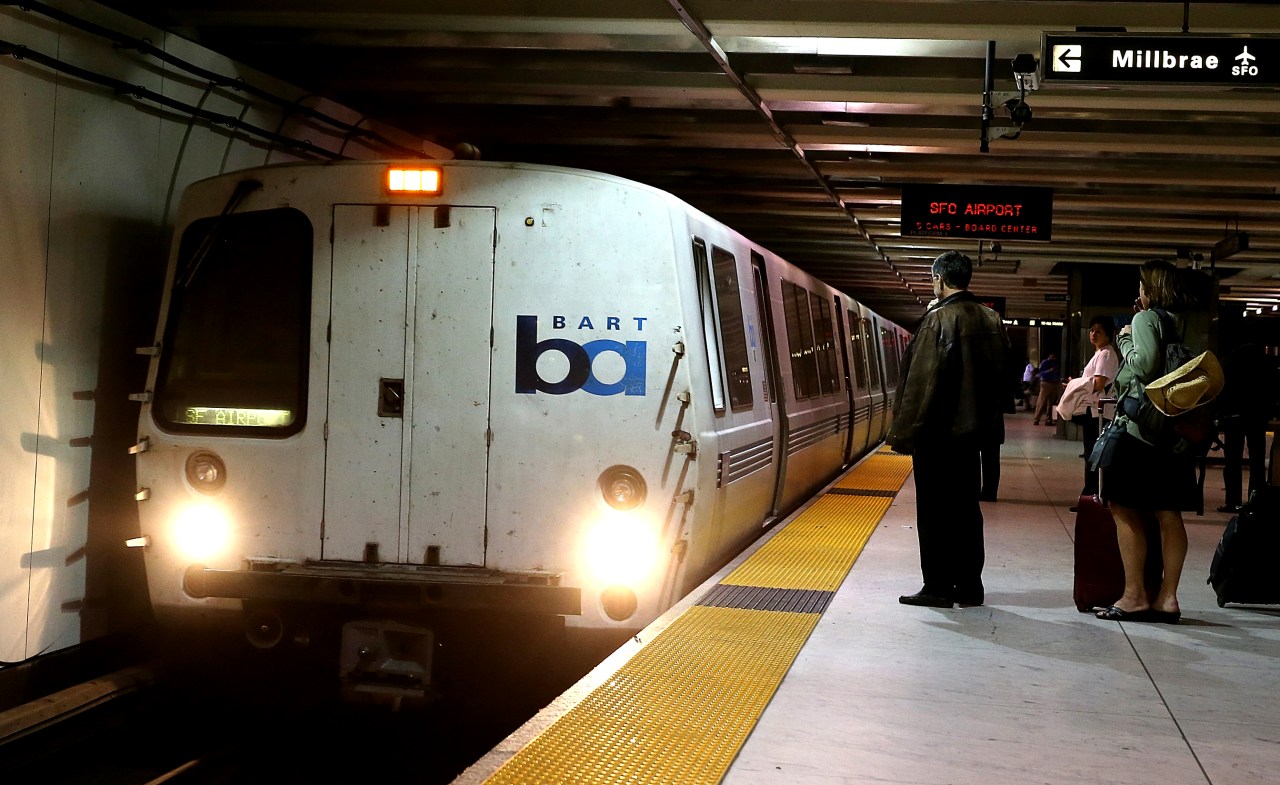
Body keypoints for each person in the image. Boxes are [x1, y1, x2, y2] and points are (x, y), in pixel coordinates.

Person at [887, 250, 1010, 608]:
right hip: (974, 435)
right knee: (967, 509)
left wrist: (904, 433)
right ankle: (970, 586)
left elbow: (921, 383)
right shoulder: (992, 320)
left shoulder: (937, 321)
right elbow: (1004, 379)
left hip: (938, 434)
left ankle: (938, 585)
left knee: (934, 510)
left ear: (939, 280)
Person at [1095, 260, 1201, 624]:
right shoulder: (1184, 321)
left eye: (1141, 285)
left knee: (1123, 507)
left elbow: (1144, 365)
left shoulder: (1145, 319)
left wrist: (1124, 337)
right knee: (1168, 513)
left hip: (1141, 430)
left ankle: (1134, 595)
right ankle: (1167, 599)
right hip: (1175, 431)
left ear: (1150, 288)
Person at [1063, 316, 1119, 498]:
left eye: (1099, 331)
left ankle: (1092, 495)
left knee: (1093, 455)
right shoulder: (1100, 353)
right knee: (1091, 454)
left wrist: (1077, 384)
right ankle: (1091, 494)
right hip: (1094, 412)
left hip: (1098, 413)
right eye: (1092, 330)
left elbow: (1099, 383)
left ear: (1109, 335)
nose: (1093, 334)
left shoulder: (1106, 354)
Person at [1217, 342, 1271, 513]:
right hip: (1257, 415)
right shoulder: (1264, 364)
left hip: (1234, 416)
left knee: (1232, 460)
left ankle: (1232, 501)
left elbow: (1221, 391)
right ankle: (1256, 499)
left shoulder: (1228, 362)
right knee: (1257, 460)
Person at [1033, 352, 1062, 425]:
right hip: (1046, 382)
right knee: (1042, 401)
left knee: (1050, 403)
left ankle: (1048, 419)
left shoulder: (1055, 363)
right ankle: (1037, 418)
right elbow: (1041, 373)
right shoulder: (1045, 362)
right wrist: (1049, 371)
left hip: (1054, 382)